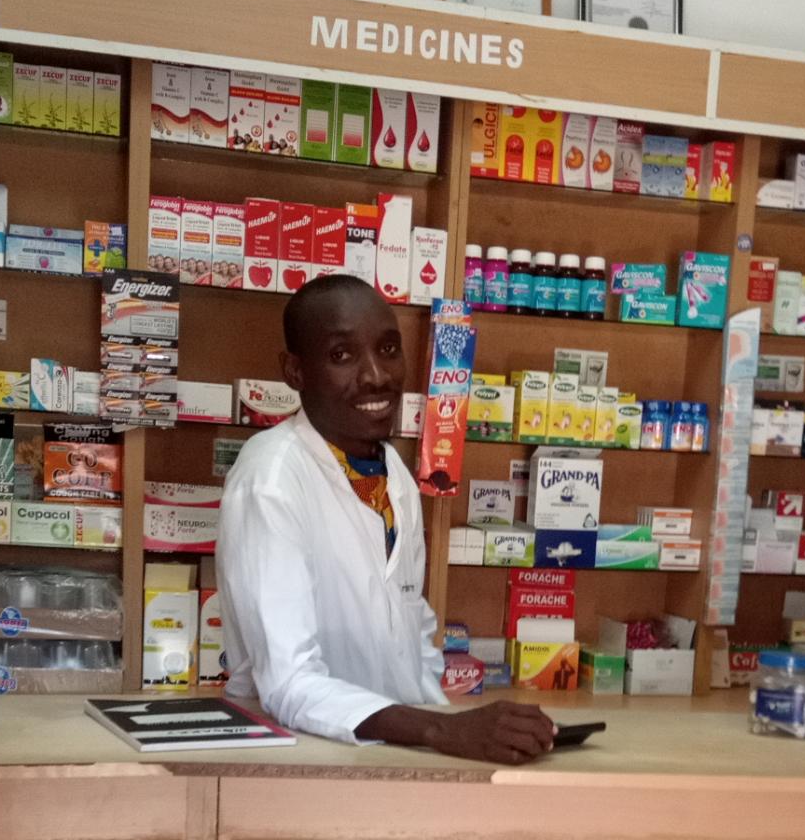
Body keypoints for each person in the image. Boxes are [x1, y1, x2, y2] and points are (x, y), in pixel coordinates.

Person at [216, 275, 556, 764]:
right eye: (342, 355)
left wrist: (452, 729)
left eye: (389, 348)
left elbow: (411, 624)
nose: (376, 376)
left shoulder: (393, 470)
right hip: (297, 759)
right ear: (294, 371)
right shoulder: (269, 480)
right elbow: (289, 683)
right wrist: (443, 730)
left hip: (401, 752)